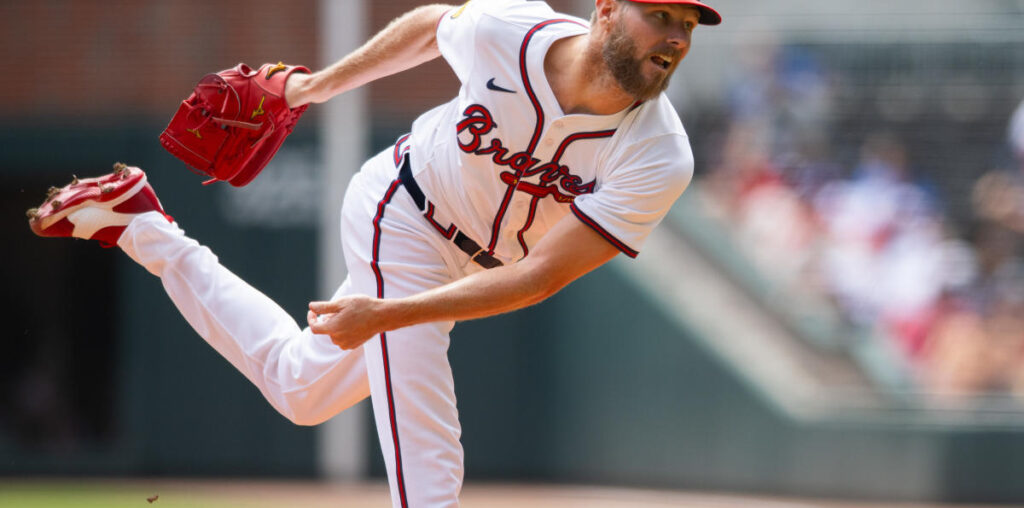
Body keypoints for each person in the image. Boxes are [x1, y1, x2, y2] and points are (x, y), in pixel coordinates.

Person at [27, 0, 721, 506]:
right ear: (606, 10)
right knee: (427, 455)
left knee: (300, 388)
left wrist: (385, 315)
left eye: (689, 26)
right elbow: (430, 26)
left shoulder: (659, 155)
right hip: (404, 208)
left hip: (473, 270)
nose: (675, 37)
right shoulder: (511, 31)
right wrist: (307, 87)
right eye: (661, 15)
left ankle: (141, 223)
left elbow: (538, 276)